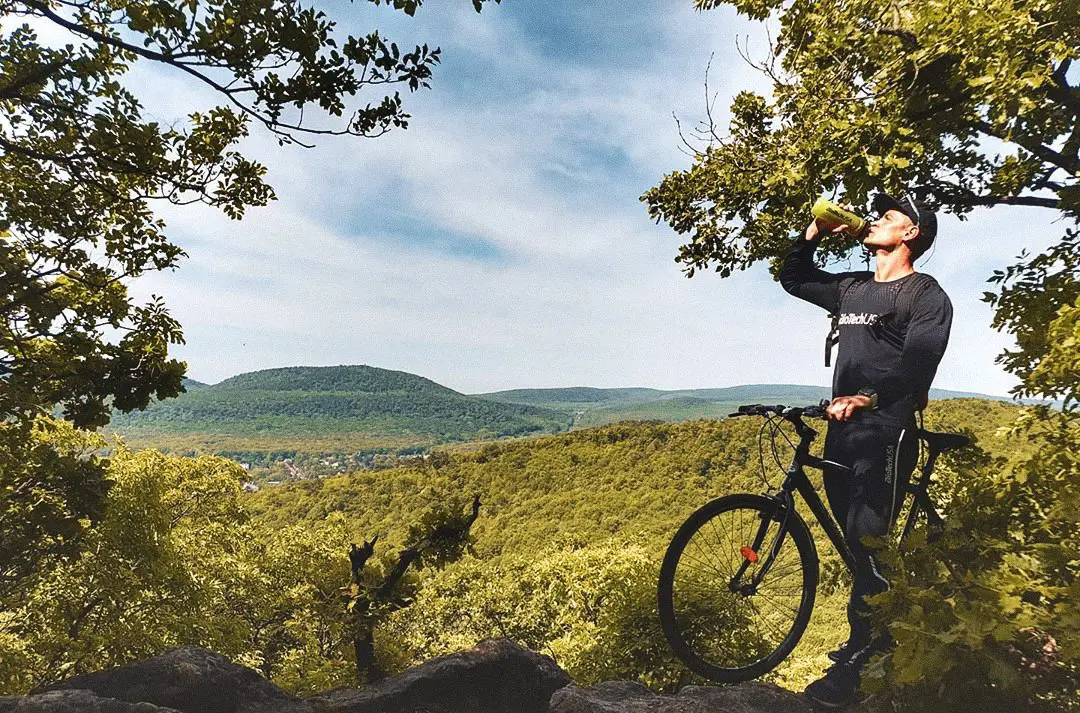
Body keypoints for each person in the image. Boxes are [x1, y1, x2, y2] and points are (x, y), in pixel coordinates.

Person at [779, 193, 953, 708]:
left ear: (910, 235)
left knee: (869, 541)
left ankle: (865, 659)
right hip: (844, 433)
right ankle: (873, 636)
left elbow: (919, 365)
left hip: (887, 433)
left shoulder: (924, 295)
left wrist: (867, 397)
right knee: (857, 547)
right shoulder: (852, 288)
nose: (877, 219)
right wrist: (811, 232)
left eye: (891, 217)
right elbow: (793, 278)